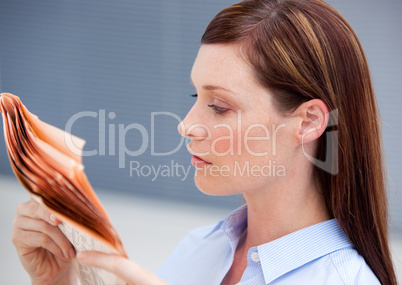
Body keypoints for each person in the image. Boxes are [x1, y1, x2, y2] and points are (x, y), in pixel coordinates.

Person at [11, 0, 397, 284]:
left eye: (219, 106)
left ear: (309, 121)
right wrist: (57, 280)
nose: (185, 126)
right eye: (196, 98)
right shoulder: (199, 248)